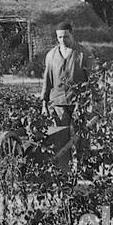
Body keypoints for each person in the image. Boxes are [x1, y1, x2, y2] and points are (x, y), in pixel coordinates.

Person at [41, 22, 93, 164]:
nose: (63, 40)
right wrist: (44, 102)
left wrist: (91, 101)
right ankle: (63, 167)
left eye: (66, 37)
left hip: (78, 102)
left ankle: (84, 165)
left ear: (72, 34)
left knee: (82, 135)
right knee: (60, 136)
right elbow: (47, 79)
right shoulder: (51, 55)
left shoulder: (83, 54)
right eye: (59, 37)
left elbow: (92, 79)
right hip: (58, 102)